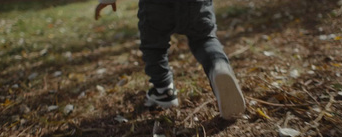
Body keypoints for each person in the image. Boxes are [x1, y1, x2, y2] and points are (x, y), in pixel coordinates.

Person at [95, 0, 245, 119]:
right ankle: (218, 66)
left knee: (154, 46)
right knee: (204, 39)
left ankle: (163, 90)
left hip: (156, 5)